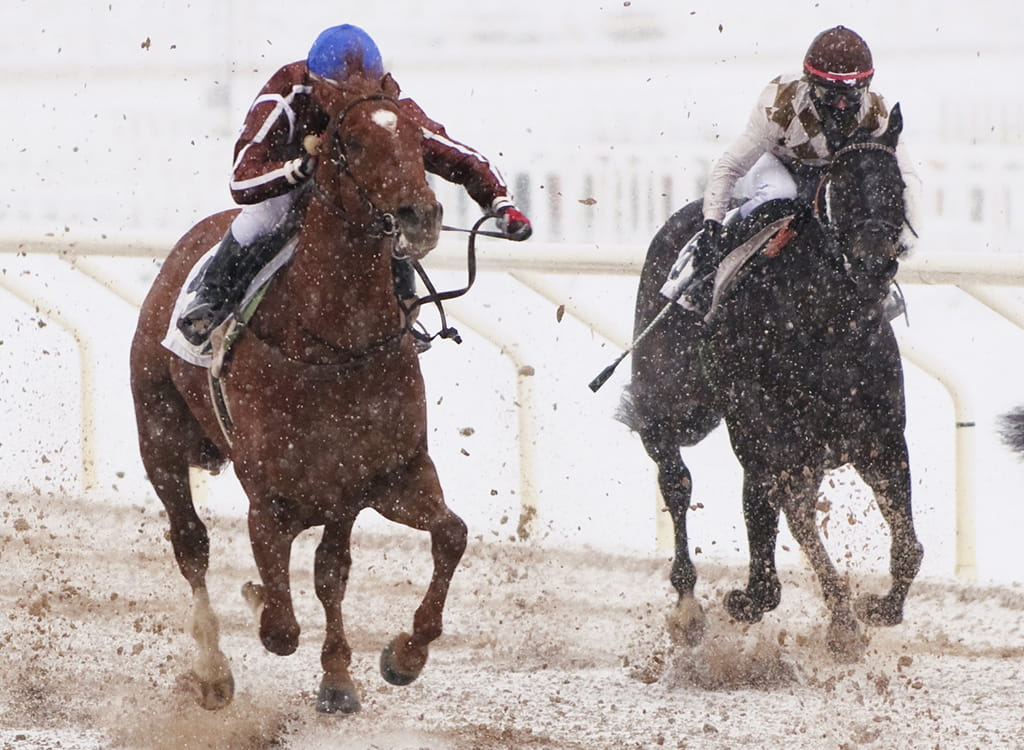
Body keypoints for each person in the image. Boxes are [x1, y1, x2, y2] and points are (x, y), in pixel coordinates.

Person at [177, 24, 532, 348]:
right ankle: (212, 297)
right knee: (264, 216)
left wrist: (500, 203)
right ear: (316, 85)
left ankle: (402, 316)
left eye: (366, 91)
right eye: (342, 95)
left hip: (350, 193)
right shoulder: (284, 95)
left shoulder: (385, 104)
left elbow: (454, 154)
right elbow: (242, 178)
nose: (354, 102)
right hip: (286, 184)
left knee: (389, 215)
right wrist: (298, 170)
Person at [667, 25, 915, 315]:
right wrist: (712, 225)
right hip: (774, 163)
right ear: (810, 84)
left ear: (866, 87)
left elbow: (906, 177)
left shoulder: (876, 112)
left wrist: (905, 239)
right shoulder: (781, 102)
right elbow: (730, 166)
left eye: (851, 96)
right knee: (781, 192)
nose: (841, 104)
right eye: (830, 95)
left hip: (828, 173)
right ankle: (713, 271)